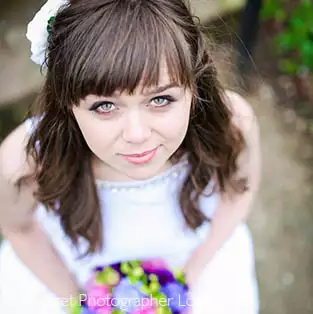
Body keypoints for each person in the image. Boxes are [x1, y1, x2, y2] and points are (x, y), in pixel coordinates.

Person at [0, 0, 261, 313]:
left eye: (161, 99)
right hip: (69, 279)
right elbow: (19, 227)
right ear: (67, 102)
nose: (137, 134)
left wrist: (187, 279)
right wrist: (81, 300)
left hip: (197, 263)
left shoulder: (231, 125)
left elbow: (237, 193)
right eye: (105, 106)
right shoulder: (24, 161)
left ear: (194, 85)